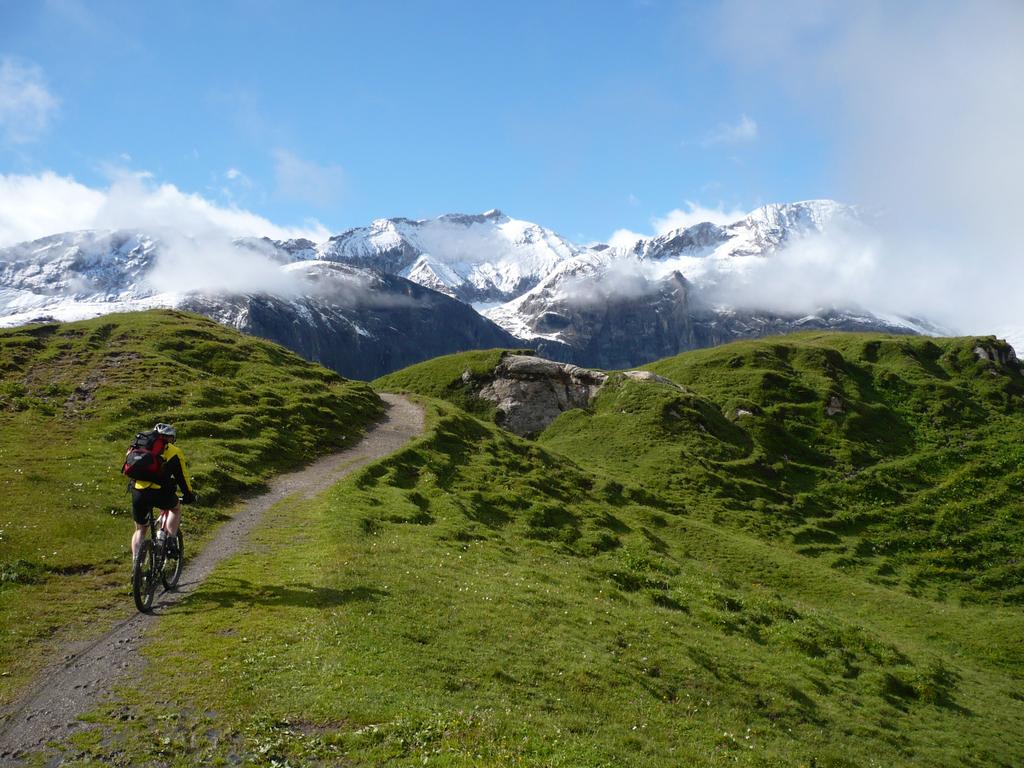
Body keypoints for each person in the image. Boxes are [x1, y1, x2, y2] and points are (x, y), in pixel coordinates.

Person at [130, 422, 196, 564]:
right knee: (175, 508)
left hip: (138, 492)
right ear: (171, 438)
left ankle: (136, 566)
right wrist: (188, 495)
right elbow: (182, 477)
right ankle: (170, 540)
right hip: (160, 493)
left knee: (140, 529)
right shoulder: (174, 451)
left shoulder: (139, 445)